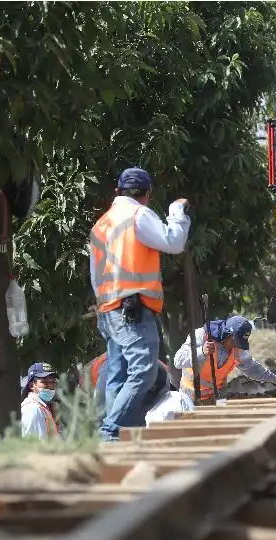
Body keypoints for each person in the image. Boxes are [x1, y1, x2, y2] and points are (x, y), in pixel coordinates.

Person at [90, 167, 190, 441]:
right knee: (144, 370)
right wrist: (177, 212)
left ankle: (119, 436)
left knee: (118, 374)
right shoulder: (138, 215)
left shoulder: (101, 224)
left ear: (117, 191)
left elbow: (95, 274)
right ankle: (110, 432)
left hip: (108, 309)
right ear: (147, 195)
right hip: (132, 309)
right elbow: (173, 242)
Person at [174, 315, 276, 403]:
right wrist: (201, 352)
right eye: (235, 341)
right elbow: (178, 361)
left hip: (217, 399)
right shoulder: (201, 336)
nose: (236, 345)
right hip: (189, 399)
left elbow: (253, 368)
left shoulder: (237, 348)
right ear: (227, 333)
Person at [20, 363, 61, 439]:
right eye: (44, 382)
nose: (50, 386)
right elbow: (35, 443)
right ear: (32, 385)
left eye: (52, 382)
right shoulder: (33, 409)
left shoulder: (44, 407)